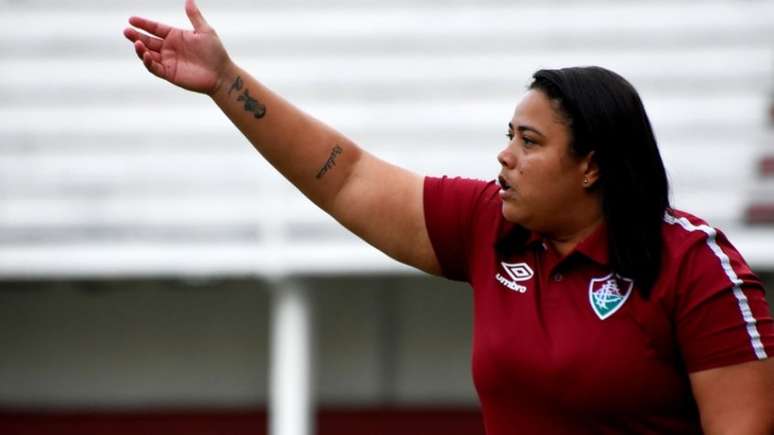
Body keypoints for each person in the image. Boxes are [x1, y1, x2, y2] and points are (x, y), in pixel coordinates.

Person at [123, 1, 774, 433]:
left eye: (529, 140)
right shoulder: (492, 225)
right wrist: (225, 81)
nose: (505, 155)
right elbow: (346, 175)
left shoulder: (694, 263)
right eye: (508, 134)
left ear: (592, 165)